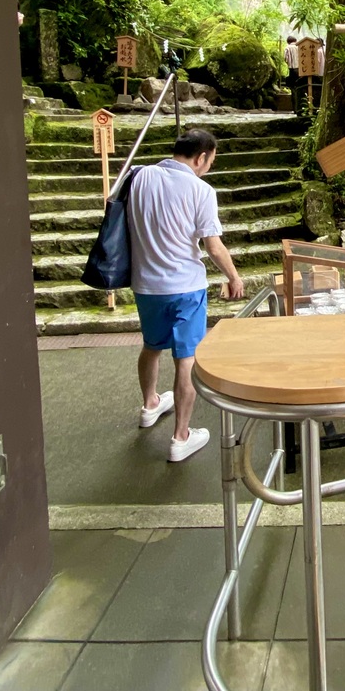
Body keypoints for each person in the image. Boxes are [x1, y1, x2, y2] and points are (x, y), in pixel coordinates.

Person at [126, 129, 246, 461]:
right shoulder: (201, 190)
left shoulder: (139, 176)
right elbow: (213, 246)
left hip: (146, 284)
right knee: (186, 358)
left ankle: (150, 404)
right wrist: (234, 277)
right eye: (211, 161)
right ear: (201, 157)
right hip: (186, 287)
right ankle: (181, 437)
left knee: (151, 346)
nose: (208, 167)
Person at [283, 35, 300, 111]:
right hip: (301, 70)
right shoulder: (299, 47)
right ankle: (300, 107)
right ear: (295, 40)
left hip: (292, 70)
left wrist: (289, 63)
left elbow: (285, 58)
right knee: (300, 88)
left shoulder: (287, 48)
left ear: (288, 42)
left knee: (293, 89)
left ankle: (295, 108)